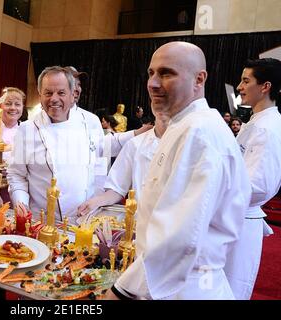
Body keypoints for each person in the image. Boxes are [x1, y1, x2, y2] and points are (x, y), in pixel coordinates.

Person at [103, 41, 251, 300]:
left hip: (183, 285)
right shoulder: (184, 125)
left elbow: (180, 235)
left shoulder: (199, 132)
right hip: (166, 281)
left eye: (166, 73)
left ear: (199, 79)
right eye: (151, 73)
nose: (153, 83)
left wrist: (122, 290)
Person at [7, 66, 107, 224]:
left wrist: (98, 200)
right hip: (42, 221)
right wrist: (21, 204)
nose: (54, 99)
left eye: (61, 93)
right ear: (40, 95)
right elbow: (16, 175)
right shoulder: (27, 129)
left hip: (85, 218)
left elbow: (100, 166)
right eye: (48, 93)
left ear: (72, 95)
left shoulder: (90, 121)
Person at [224, 58, 281, 300]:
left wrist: (216, 190)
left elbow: (260, 186)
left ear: (265, 86)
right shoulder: (255, 123)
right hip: (233, 215)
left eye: (246, 81)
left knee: (231, 290)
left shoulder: (268, 127)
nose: (239, 86)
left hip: (242, 218)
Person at [77, 110, 169, 215]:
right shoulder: (135, 144)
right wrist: (97, 201)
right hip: (140, 222)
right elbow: (117, 188)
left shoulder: (190, 143)